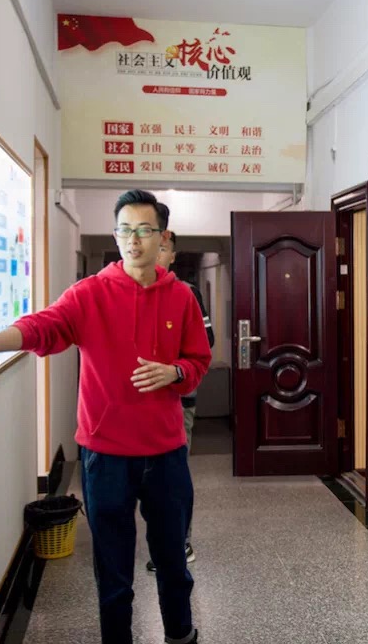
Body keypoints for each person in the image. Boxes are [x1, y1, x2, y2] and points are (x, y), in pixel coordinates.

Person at [0, 190, 210, 644]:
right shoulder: (90, 294)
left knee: (172, 563)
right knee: (113, 571)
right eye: (125, 230)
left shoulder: (181, 297)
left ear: (162, 237)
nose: (133, 240)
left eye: (144, 230)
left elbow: (198, 361)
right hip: (106, 457)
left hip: (165, 455)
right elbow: (43, 326)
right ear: (116, 235)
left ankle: (180, 636)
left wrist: (175, 372)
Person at [146, 230, 214, 571]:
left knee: (173, 474)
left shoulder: (187, 293)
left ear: (172, 256)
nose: (156, 254)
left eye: (163, 249)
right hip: (137, 406)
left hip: (178, 400)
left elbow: (206, 341)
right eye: (153, 247)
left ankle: (178, 543)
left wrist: (173, 368)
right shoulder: (129, 293)